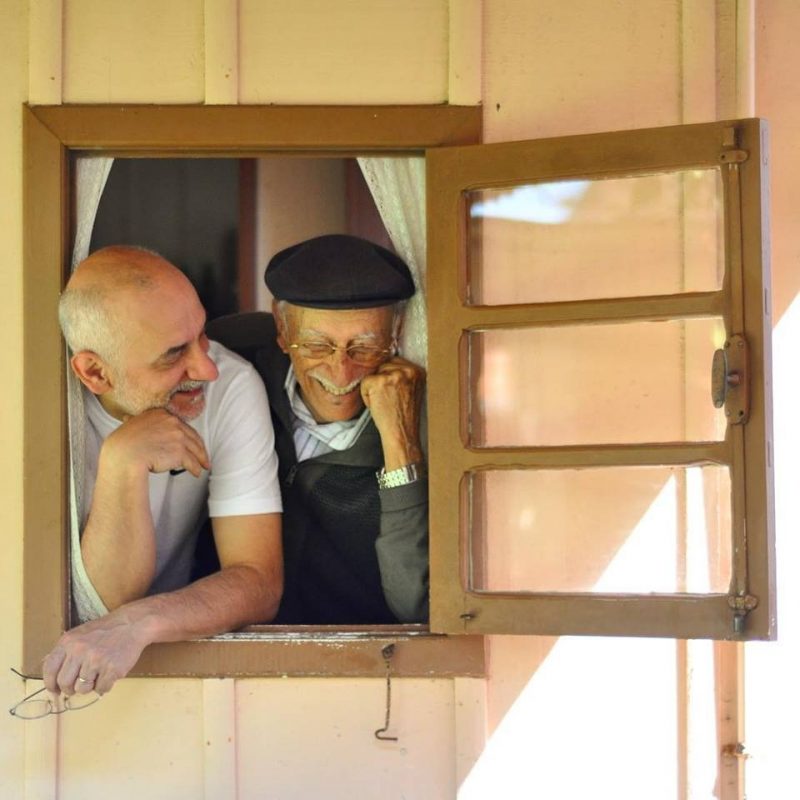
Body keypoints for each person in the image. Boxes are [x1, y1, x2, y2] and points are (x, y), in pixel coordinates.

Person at [44, 246, 283, 697]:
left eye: (202, 336)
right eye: (174, 355)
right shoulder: (32, 401)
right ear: (95, 372)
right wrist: (122, 461)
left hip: (165, 651)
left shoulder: (231, 384)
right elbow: (103, 607)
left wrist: (139, 624)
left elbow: (258, 579)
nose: (207, 368)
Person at [207, 234, 428, 624]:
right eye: (316, 345)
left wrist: (399, 445)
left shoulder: (425, 421)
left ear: (398, 332)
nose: (341, 371)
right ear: (281, 328)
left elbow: (416, 605)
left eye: (364, 346)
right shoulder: (232, 374)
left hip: (368, 660)